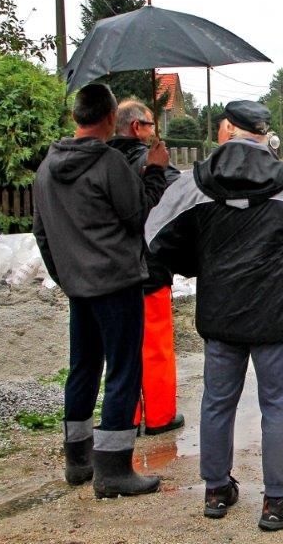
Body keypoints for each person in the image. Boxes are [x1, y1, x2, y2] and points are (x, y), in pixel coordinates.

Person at [145, 100, 283, 530]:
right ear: (263, 134)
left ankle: (217, 489)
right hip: (278, 311)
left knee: (218, 401)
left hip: (221, 311)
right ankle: (277, 502)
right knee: (280, 404)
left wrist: (199, 260)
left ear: (226, 129)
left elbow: (156, 236)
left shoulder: (194, 182)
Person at [33, 83, 170, 498]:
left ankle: (77, 460)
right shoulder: (109, 163)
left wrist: (67, 277)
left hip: (79, 288)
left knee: (84, 368)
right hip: (117, 282)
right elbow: (138, 217)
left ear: (76, 118)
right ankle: (112, 469)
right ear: (111, 119)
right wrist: (156, 170)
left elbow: (42, 234)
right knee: (124, 370)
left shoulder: (45, 169)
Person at [108, 99, 185, 436]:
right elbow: (179, 197)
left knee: (120, 349)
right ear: (137, 127)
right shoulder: (152, 163)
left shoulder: (104, 161)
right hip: (149, 268)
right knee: (155, 346)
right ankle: (159, 416)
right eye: (152, 123)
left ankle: (127, 414)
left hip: (109, 272)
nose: (156, 130)